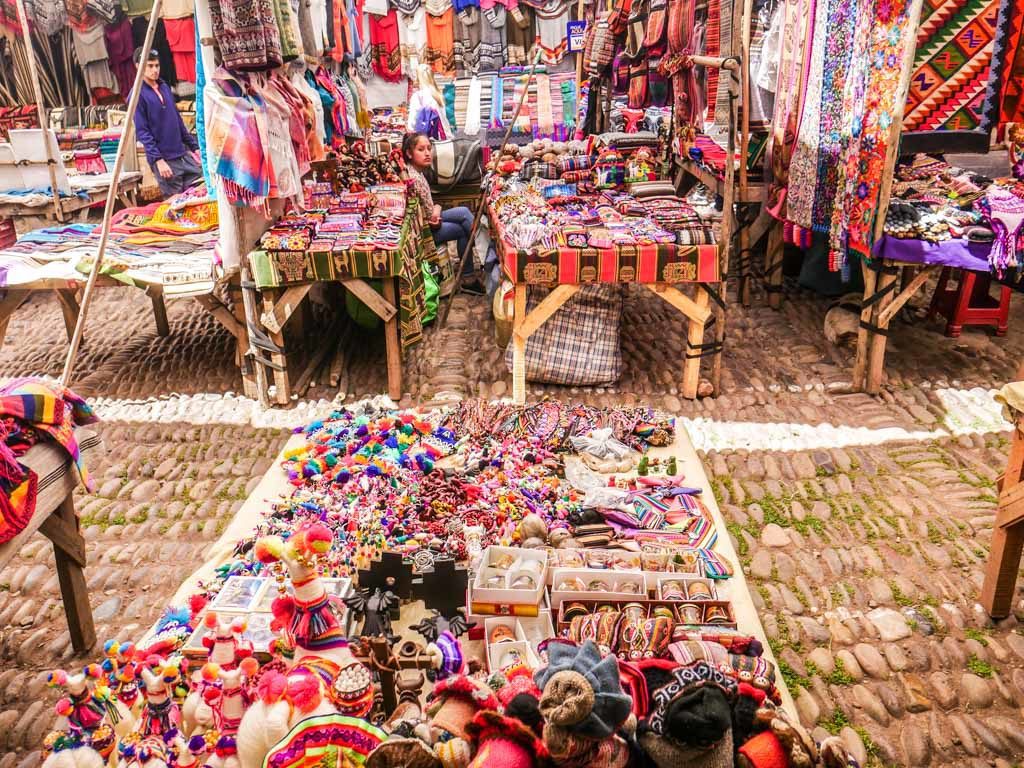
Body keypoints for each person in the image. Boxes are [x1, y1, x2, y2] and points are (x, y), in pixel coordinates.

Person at [403, 132, 483, 294]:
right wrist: (437, 209)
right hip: (424, 233)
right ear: (409, 153)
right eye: (421, 149)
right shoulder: (414, 178)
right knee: (463, 229)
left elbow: (431, 211)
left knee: (464, 213)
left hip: (429, 221)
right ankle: (481, 250)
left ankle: (479, 247)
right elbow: (431, 217)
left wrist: (436, 208)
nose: (427, 153)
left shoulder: (417, 172)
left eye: (428, 148)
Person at [133, 48, 202, 198]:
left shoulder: (164, 86)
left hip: (182, 154)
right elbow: (142, 132)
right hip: (164, 160)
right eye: (149, 66)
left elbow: (177, 121)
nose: (154, 70)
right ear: (138, 66)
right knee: (175, 204)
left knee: (198, 195)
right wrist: (158, 161)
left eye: (157, 65)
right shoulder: (136, 95)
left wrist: (195, 147)